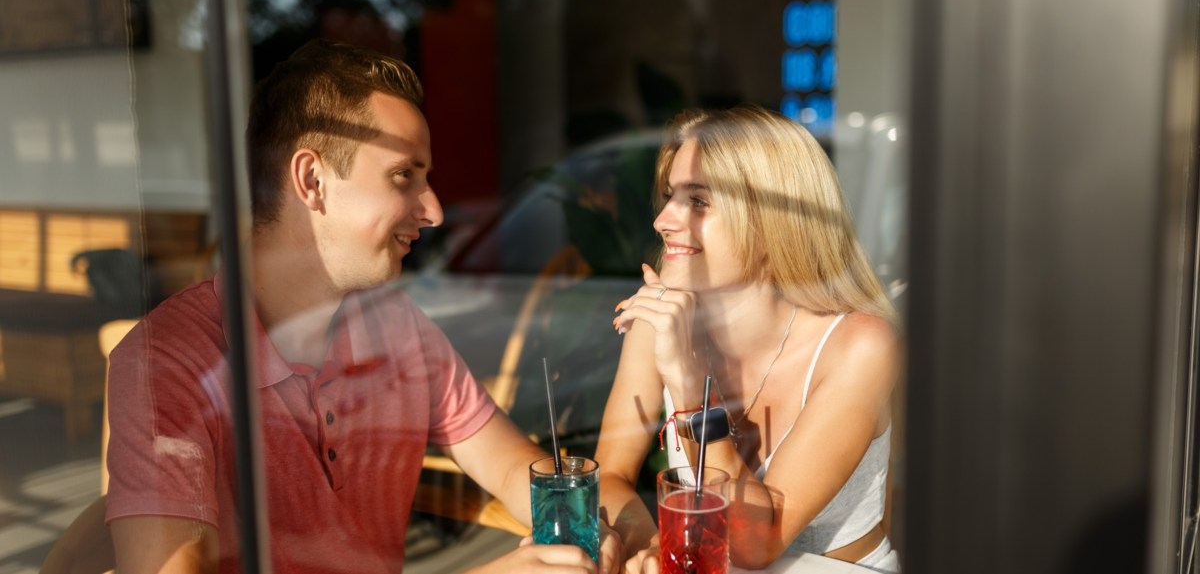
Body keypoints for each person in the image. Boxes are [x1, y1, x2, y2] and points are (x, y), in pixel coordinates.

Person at [104, 39, 620, 574]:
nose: (436, 211)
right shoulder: (167, 364)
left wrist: (582, 532)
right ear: (312, 181)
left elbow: (515, 469)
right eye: (404, 175)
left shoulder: (398, 328)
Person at [596, 106, 901, 573]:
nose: (662, 220)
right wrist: (660, 543)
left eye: (698, 201)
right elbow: (611, 474)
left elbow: (760, 544)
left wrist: (689, 383)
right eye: (669, 196)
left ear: (770, 219)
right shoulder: (661, 321)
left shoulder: (861, 346)